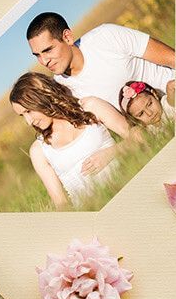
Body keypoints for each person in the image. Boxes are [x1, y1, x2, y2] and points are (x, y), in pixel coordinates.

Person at [9, 72, 131, 210]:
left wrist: (111, 152)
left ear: (43, 96)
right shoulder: (39, 151)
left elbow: (139, 136)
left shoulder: (90, 107)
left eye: (28, 111)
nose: (29, 121)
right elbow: (61, 204)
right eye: (22, 115)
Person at [26, 12, 175, 109]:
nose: (44, 61)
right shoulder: (62, 88)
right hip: (154, 127)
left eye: (48, 50)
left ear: (67, 37)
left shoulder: (106, 36)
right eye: (37, 55)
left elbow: (173, 58)